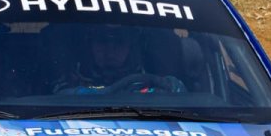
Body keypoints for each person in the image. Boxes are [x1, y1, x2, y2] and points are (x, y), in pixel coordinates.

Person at [55, 27, 185, 94]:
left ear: (131, 47)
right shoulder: (68, 81)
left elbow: (181, 97)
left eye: (120, 42)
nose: (110, 49)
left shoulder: (159, 84)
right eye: (102, 41)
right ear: (90, 45)